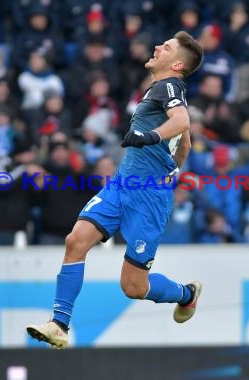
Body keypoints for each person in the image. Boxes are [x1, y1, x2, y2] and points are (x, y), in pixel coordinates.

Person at [26, 31, 204, 348]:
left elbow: (182, 121)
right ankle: (59, 324)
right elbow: (185, 138)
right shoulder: (159, 89)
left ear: (177, 64)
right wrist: (175, 164)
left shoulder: (169, 86)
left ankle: (186, 293)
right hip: (123, 184)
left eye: (166, 47)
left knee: (133, 286)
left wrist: (152, 139)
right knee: (76, 240)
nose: (157, 46)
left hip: (148, 198)